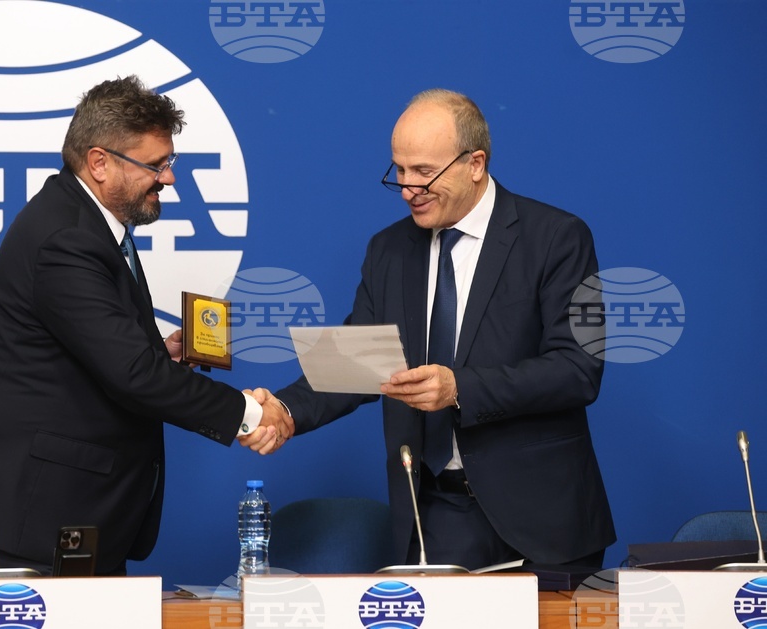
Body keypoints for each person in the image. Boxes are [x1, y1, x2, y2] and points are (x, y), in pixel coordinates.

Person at [0, 76, 292, 576]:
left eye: (170, 162)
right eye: (155, 165)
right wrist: (249, 414)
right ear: (99, 163)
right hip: (16, 518)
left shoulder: (89, 222)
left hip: (64, 512)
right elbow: (132, 373)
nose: (169, 178)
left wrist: (157, 351)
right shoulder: (67, 238)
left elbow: (91, 345)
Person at [255, 88, 615, 570]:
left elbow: (577, 370)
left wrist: (459, 387)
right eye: (399, 171)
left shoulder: (557, 238)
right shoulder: (388, 250)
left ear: (475, 164)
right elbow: (359, 362)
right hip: (437, 516)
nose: (408, 188)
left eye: (424, 172)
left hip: (544, 519)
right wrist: (284, 410)